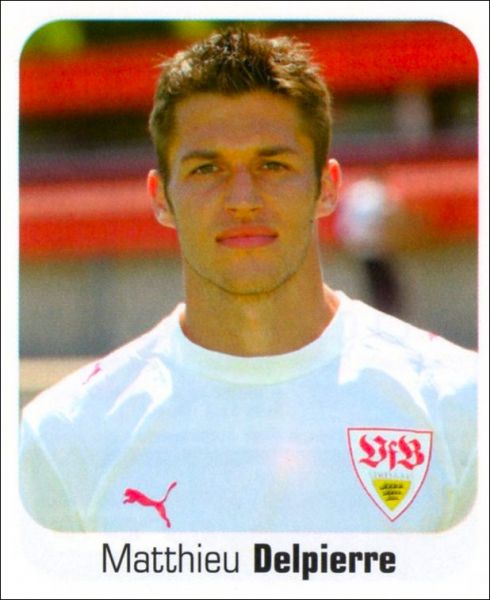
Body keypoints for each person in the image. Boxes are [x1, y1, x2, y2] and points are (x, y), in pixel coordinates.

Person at [20, 29, 477, 532]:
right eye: (206, 169)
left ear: (327, 187)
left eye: (272, 164)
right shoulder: (68, 434)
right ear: (160, 197)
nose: (242, 199)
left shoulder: (459, 404)